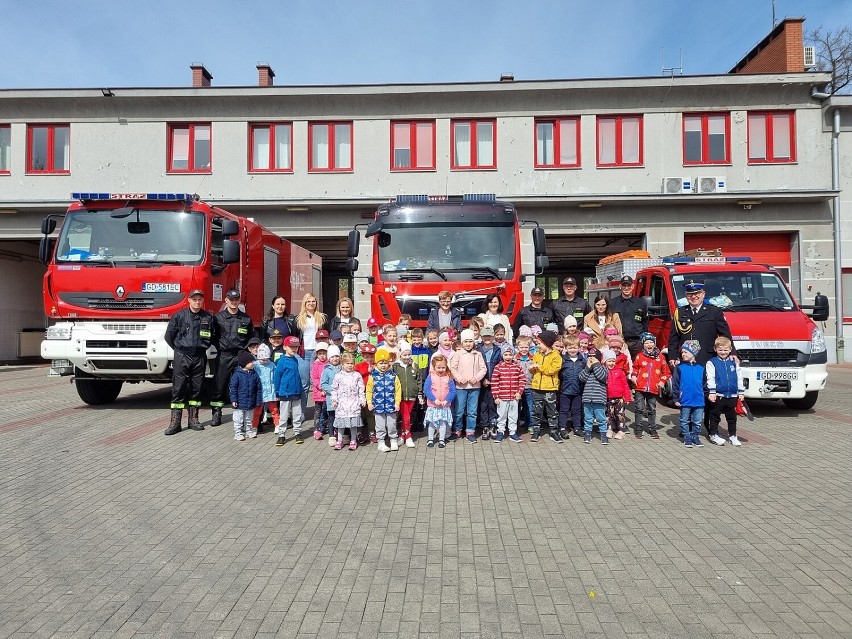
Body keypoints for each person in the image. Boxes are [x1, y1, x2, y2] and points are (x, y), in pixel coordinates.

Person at [667, 281, 735, 433]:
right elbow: (673, 337)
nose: (694, 297)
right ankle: (687, 426)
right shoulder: (680, 312)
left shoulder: (714, 311)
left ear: (703, 295)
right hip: (686, 361)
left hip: (707, 360)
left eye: (697, 294)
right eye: (690, 295)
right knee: (688, 391)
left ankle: (709, 425)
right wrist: (672, 355)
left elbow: (725, 335)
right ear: (686, 296)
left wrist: (733, 353)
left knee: (707, 393)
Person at [164, 289, 215, 436]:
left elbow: (212, 337)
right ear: (189, 300)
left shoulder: (208, 317)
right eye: (194, 299)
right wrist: (179, 349)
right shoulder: (179, 316)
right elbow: (169, 336)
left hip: (199, 356)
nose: (197, 302)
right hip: (182, 356)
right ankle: (175, 422)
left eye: (200, 299)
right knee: (178, 388)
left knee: (197, 388)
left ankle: (194, 419)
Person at [210, 289, 254, 427]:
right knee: (219, 385)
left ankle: (243, 412)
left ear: (239, 300)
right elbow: (212, 336)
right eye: (231, 299)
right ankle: (217, 412)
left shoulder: (246, 319)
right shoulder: (218, 318)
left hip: (240, 355)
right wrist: (220, 347)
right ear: (226, 300)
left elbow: (251, 337)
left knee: (243, 384)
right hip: (224, 355)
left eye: (236, 299)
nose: (234, 302)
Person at [705, 336, 744, 446]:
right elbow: (710, 378)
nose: (723, 352)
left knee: (732, 418)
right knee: (715, 416)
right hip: (718, 395)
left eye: (725, 350)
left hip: (732, 395)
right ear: (715, 349)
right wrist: (712, 392)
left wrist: (741, 392)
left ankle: (733, 436)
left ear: (730, 349)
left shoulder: (734, 362)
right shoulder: (711, 362)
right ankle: (713, 435)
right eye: (720, 350)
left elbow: (739, 377)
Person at [630, 332, 670, 439]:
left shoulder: (660, 357)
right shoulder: (639, 356)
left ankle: (652, 429)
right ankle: (638, 429)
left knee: (651, 409)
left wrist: (662, 381)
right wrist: (633, 376)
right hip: (640, 387)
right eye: (646, 342)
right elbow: (634, 369)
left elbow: (666, 373)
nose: (649, 344)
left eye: (651, 342)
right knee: (639, 408)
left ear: (654, 343)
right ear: (643, 344)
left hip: (653, 388)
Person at [449, 328, 486, 442]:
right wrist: (460, 379)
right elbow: (453, 368)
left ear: (474, 342)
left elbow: (483, 369)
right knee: (459, 410)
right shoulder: (458, 354)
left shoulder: (478, 354)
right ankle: (457, 430)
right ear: (462, 342)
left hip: (474, 387)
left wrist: (476, 378)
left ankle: (470, 431)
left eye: (470, 341)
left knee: (472, 411)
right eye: (466, 341)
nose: (468, 344)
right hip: (461, 387)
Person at [529, 330, 562, 442]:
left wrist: (539, 367)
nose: (538, 346)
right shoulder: (537, 354)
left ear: (547, 343)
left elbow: (552, 370)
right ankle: (536, 431)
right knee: (537, 411)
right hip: (537, 387)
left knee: (552, 411)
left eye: (539, 343)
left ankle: (554, 432)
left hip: (549, 388)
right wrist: (532, 368)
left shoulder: (556, 356)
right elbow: (535, 371)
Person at [671, 340, 706, 448]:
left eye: (686, 352)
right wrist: (676, 398)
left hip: (699, 400)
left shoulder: (701, 368)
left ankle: (695, 436)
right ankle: (686, 437)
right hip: (685, 399)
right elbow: (675, 384)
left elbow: (705, 384)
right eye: (682, 353)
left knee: (697, 421)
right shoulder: (680, 368)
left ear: (694, 353)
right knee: (684, 420)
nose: (683, 354)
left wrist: (706, 395)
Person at [366, 347, 401, 452]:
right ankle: (381, 442)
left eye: (385, 362)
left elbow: (398, 390)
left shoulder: (393, 376)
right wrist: (369, 402)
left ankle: (393, 440)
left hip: (391, 405)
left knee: (392, 424)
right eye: (381, 363)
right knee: (380, 425)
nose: (383, 365)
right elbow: (369, 390)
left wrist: (397, 402)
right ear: (376, 363)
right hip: (378, 406)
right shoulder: (373, 376)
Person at [272, 336, 305, 446]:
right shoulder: (281, 361)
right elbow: (277, 377)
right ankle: (282, 435)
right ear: (285, 347)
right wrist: (277, 392)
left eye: (296, 347)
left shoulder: (295, 359)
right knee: (284, 415)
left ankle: (298, 433)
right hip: (285, 393)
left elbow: (297, 376)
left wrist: (300, 389)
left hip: (296, 392)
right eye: (291, 347)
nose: (294, 349)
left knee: (297, 414)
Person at [491, 344, 526, 443]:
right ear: (502, 355)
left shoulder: (517, 367)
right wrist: (496, 396)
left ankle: (512, 432)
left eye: (510, 355)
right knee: (501, 415)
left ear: (513, 355)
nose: (508, 357)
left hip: (514, 397)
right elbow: (494, 382)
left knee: (513, 415)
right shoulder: (498, 367)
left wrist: (519, 392)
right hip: (502, 397)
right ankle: (500, 432)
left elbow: (522, 380)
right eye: (505, 355)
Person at [331, 352, 366, 451]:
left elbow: (361, 389)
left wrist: (362, 400)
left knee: (353, 424)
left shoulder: (357, 375)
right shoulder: (338, 376)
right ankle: (339, 440)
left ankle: (353, 440)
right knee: (341, 424)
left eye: (351, 363)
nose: (350, 366)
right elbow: (334, 389)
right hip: (342, 404)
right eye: (347, 363)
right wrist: (334, 400)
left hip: (354, 403)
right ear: (342, 364)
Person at [609, 276, 648, 360]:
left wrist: (643, 339)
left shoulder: (641, 303)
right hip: (619, 342)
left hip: (636, 343)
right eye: (624, 285)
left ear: (633, 286)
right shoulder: (612, 303)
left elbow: (645, 322)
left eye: (629, 286)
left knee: (637, 367)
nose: (626, 288)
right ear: (620, 286)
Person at [423, 354, 456, 448]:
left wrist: (447, 400)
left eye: (443, 367)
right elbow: (427, 390)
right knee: (432, 423)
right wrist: (434, 400)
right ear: (434, 367)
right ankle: (430, 439)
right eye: (438, 367)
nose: (441, 369)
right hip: (433, 405)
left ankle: (442, 439)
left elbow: (453, 391)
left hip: (444, 406)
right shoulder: (431, 376)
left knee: (443, 423)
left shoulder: (449, 377)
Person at [394, 341, 423, 448]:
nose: (407, 357)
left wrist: (420, 394)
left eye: (409, 354)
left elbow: (419, 380)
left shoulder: (414, 365)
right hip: (400, 395)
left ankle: (402, 435)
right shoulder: (396, 366)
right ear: (400, 355)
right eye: (404, 355)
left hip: (412, 395)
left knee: (407, 416)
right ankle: (408, 436)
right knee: (406, 416)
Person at [229, 351, 263, 441]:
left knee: (249, 419)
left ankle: (248, 431)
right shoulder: (237, 375)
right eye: (251, 361)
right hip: (239, 403)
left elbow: (259, 388)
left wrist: (258, 400)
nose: (253, 363)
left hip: (250, 402)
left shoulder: (254, 374)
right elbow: (233, 388)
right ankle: (238, 433)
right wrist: (234, 400)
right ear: (244, 363)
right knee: (238, 419)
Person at [579, 348, 609, 444]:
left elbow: (601, 376)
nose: (591, 359)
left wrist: (596, 365)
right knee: (588, 418)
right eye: (589, 357)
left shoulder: (604, 369)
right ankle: (587, 434)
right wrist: (588, 367)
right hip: (587, 399)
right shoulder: (587, 369)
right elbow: (582, 378)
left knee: (601, 418)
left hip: (599, 399)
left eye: (594, 358)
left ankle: (603, 435)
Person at [477, 326, 502, 439]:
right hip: (481, 382)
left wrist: (495, 380)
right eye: (485, 336)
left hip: (494, 382)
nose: (487, 338)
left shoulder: (497, 350)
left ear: (493, 337)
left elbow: (499, 366)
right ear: (481, 337)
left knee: (493, 405)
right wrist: (482, 379)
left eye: (489, 336)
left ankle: (493, 424)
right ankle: (485, 426)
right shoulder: (478, 349)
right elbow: (476, 367)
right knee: (483, 405)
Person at [559, 335, 586, 438]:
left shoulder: (582, 361)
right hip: (565, 390)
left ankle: (577, 427)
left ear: (578, 348)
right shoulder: (563, 360)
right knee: (564, 410)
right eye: (570, 348)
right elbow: (560, 375)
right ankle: (562, 427)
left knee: (577, 410)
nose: (572, 350)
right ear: (566, 348)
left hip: (578, 390)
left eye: (574, 347)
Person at [603, 349, 632, 440]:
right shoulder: (603, 371)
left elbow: (625, 385)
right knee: (609, 414)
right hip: (608, 397)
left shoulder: (619, 371)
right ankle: (610, 428)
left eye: (613, 361)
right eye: (609, 361)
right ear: (605, 361)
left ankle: (621, 430)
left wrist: (627, 397)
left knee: (620, 414)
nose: (611, 363)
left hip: (619, 398)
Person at [295, 292, 327, 367]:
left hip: (318, 350)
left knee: (317, 377)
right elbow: (295, 335)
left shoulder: (323, 318)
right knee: (305, 378)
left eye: (313, 301)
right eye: (308, 301)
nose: (311, 303)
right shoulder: (298, 319)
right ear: (304, 303)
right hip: (304, 352)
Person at [320, 345, 343, 447]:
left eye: (337, 356)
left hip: (343, 398)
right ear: (329, 358)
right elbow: (323, 384)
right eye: (332, 357)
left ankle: (344, 435)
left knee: (342, 416)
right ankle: (331, 435)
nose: (335, 359)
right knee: (332, 417)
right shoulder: (326, 370)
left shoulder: (343, 368)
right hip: (331, 398)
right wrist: (333, 390)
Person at [311, 342, 330, 440]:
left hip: (328, 393)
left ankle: (324, 427)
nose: (322, 356)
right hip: (319, 393)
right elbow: (315, 378)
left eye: (324, 353)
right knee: (318, 411)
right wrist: (322, 387)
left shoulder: (329, 364)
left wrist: (327, 389)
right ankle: (317, 429)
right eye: (320, 354)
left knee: (327, 411)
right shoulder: (315, 364)